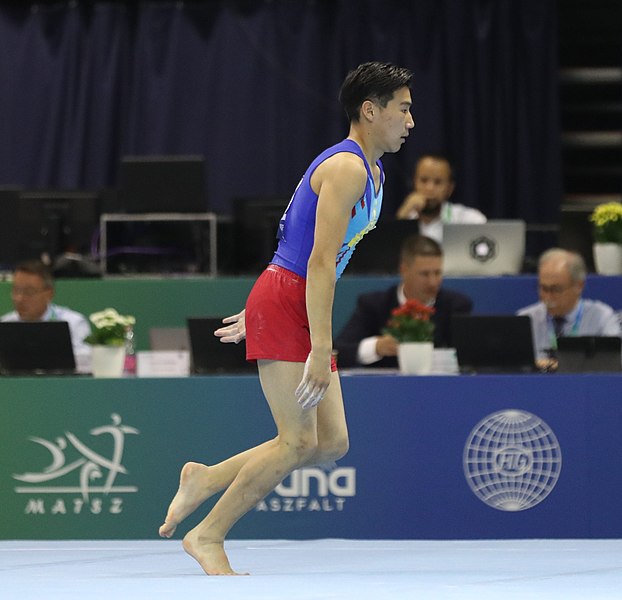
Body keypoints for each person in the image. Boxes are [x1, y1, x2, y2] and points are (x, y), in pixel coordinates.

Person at [158, 61, 415, 575]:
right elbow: (316, 261)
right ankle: (208, 535)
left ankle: (206, 480)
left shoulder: (374, 171)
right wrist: (318, 346)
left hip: (292, 298)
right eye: (403, 109)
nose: (411, 121)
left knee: (330, 442)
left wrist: (267, 305)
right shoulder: (347, 169)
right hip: (292, 298)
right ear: (371, 110)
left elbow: (307, 253)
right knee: (296, 439)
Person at [334, 234, 473, 368]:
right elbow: (338, 351)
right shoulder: (374, 305)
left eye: (437, 273)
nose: (432, 282)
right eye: (424, 274)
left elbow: (470, 357)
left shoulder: (456, 306)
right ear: (404, 270)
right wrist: (376, 347)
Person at [517, 248, 621, 369]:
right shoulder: (526, 318)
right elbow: (512, 366)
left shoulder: (602, 317)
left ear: (579, 286)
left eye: (556, 289)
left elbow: (614, 363)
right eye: (543, 288)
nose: (548, 297)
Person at [1, 259, 91, 367]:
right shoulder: (5, 323)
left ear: (49, 294)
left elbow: (86, 361)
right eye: (16, 290)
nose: (19, 299)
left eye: (29, 292)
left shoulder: (74, 322)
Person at [395, 154, 486, 242]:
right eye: (424, 180)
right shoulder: (406, 216)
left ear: (450, 189)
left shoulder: (468, 220)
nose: (429, 188)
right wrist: (403, 215)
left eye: (438, 182)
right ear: (414, 183)